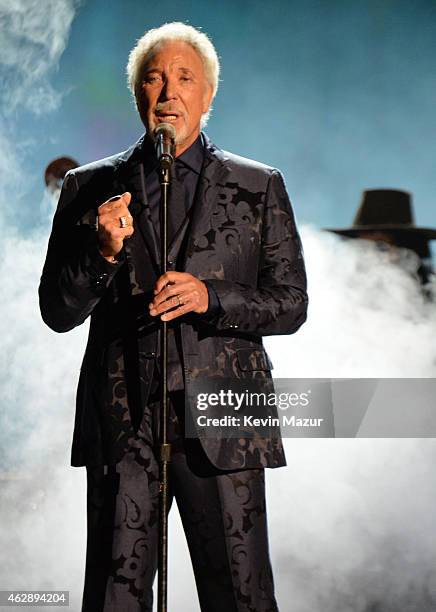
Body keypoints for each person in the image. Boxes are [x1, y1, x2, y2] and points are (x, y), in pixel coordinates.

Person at [39, 22, 308, 612]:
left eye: (185, 78)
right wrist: (102, 254)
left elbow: (291, 303)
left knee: (239, 594)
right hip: (123, 420)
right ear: (137, 93)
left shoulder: (257, 186)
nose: (168, 92)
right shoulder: (90, 189)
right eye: (154, 78)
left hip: (227, 419)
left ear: (208, 95)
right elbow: (57, 311)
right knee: (115, 595)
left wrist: (213, 298)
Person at [326, 189, 436, 287]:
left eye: (380, 246)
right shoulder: (341, 290)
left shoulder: (428, 296)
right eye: (360, 247)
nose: (367, 255)